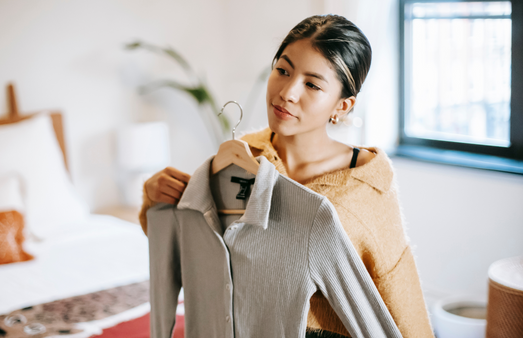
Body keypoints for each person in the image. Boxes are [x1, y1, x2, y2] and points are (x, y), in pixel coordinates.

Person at [139, 14, 434, 338]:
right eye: (283, 70)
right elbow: (198, 241)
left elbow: (398, 290)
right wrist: (154, 199)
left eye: (312, 84)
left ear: (343, 106)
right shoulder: (243, 157)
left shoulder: (365, 187)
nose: (287, 92)